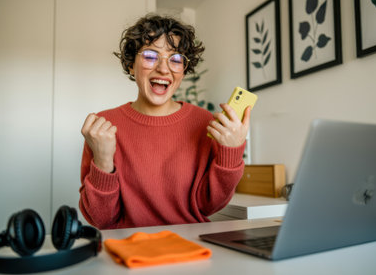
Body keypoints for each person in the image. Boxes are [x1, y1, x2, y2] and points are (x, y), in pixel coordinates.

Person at [79, 14, 252, 229]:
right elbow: (102, 219)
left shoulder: (205, 123)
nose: (163, 68)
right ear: (131, 65)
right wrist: (104, 161)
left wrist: (231, 152)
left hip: (189, 246)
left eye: (176, 59)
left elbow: (209, 206)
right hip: (129, 250)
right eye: (151, 55)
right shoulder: (102, 128)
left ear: (183, 71)